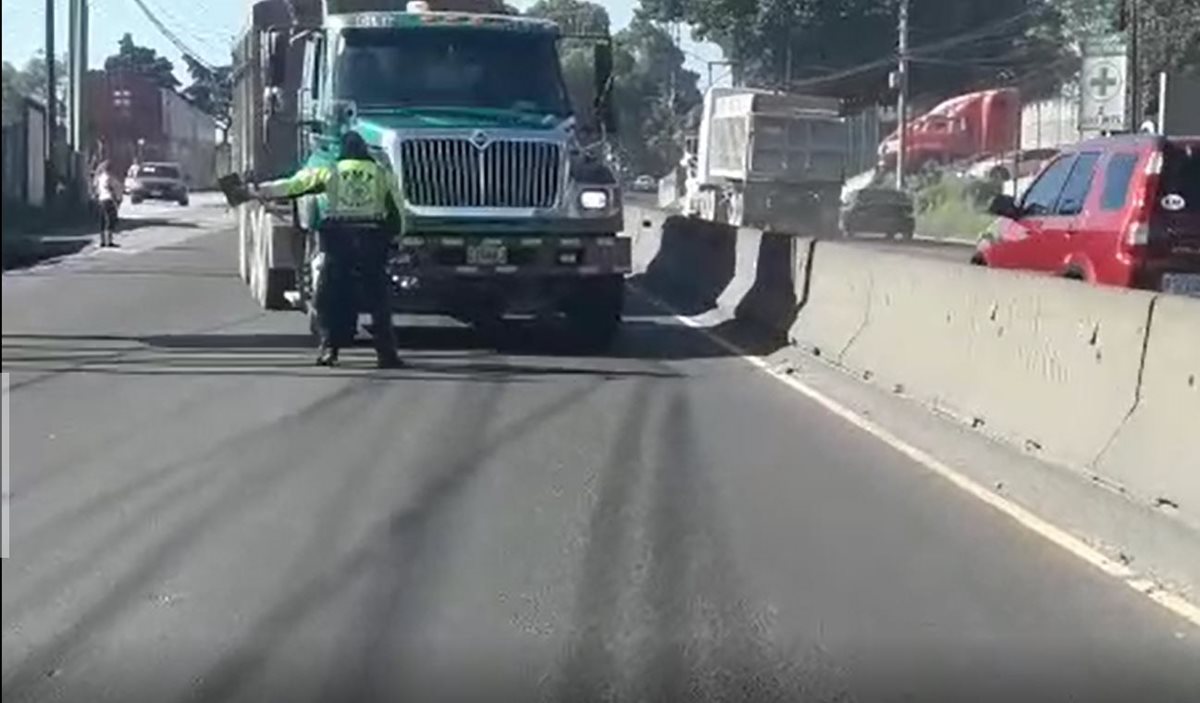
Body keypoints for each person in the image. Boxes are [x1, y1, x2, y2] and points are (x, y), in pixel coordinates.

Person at [252, 130, 402, 368]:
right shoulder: (381, 173)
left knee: (328, 298)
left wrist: (261, 190)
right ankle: (386, 355)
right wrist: (394, 236)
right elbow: (396, 209)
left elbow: (293, 185)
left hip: (338, 241)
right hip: (371, 241)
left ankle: (328, 349)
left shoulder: (330, 171)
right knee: (378, 301)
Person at [93, 161, 122, 247]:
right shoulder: (109, 177)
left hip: (101, 199)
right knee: (110, 220)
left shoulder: (99, 177)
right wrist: (116, 200)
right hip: (109, 199)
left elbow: (96, 188)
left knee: (102, 221)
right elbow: (112, 188)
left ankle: (102, 241)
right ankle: (109, 241)